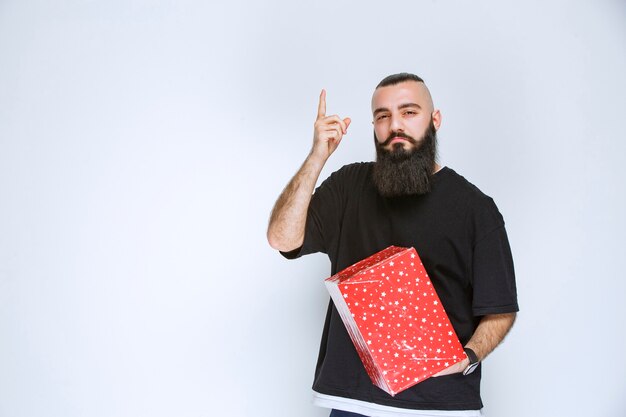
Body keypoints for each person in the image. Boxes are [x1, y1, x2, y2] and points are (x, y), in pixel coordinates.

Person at [267, 73, 518, 417]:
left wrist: (469, 356)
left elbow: (500, 309)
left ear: (435, 120)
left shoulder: (476, 209)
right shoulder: (349, 185)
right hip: (351, 403)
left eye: (409, 112)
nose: (395, 125)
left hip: (440, 407)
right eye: (383, 116)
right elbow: (281, 238)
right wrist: (316, 157)